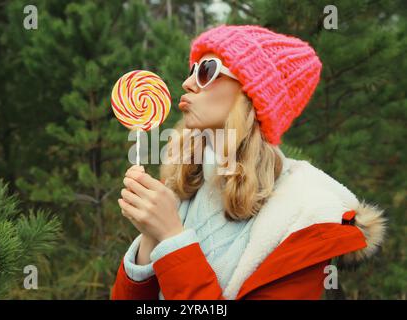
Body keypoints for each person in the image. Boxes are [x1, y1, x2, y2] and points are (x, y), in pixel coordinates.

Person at [111, 24, 387, 300]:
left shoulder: (303, 217)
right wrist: (151, 236)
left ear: (251, 95)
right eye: (192, 70)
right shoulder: (182, 187)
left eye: (207, 70)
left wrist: (172, 239)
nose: (188, 83)